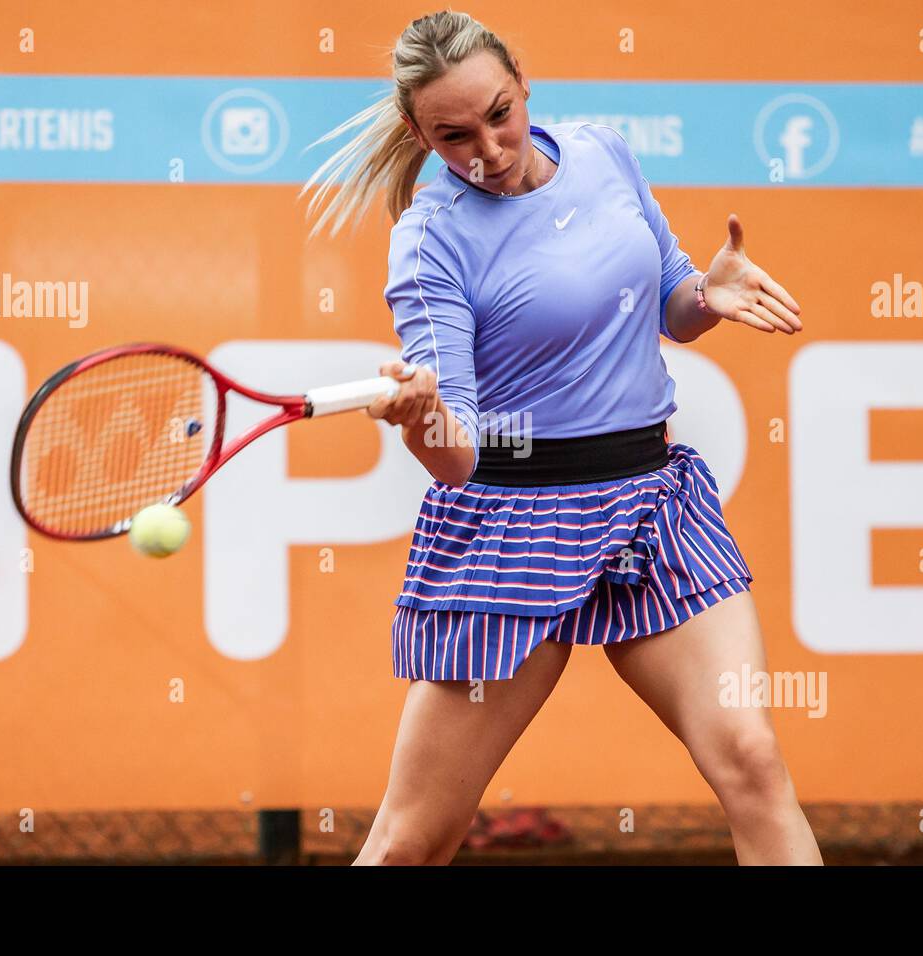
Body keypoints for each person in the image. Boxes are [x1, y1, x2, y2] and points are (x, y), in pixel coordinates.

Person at [300, 10, 821, 866]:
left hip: (654, 502)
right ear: (418, 134)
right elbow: (458, 452)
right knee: (412, 841)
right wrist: (422, 416)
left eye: (498, 115)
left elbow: (672, 306)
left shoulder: (605, 152)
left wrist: (706, 295)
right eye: (454, 137)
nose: (489, 151)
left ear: (522, 83)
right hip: (513, 523)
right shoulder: (429, 239)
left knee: (753, 761)